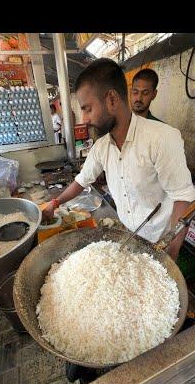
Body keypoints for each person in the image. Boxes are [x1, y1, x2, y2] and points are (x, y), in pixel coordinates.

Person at [42, 58, 195, 261]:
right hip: (127, 235)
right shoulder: (101, 147)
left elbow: (183, 198)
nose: (84, 119)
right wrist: (55, 203)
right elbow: (82, 181)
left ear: (112, 99)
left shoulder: (161, 138)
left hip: (158, 241)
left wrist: (171, 254)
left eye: (87, 108)